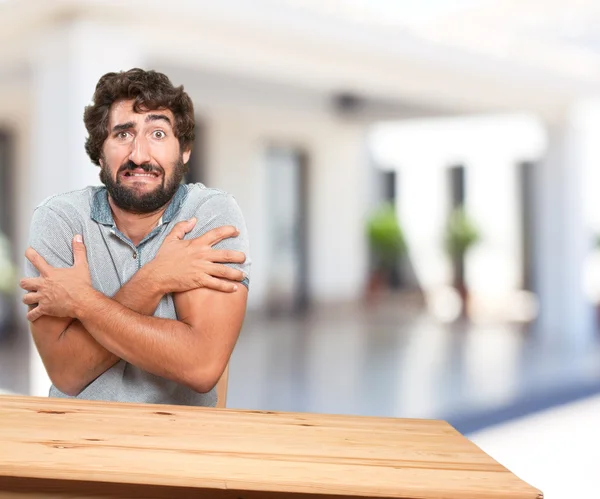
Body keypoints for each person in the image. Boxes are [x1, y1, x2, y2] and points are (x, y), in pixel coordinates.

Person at [19, 68, 250, 407]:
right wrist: (157, 277)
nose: (139, 155)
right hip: (78, 438)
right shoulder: (59, 219)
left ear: (184, 150)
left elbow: (200, 366)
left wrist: (81, 301)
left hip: (179, 441)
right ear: (100, 152)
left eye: (158, 133)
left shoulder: (211, 214)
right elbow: (67, 373)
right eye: (123, 135)